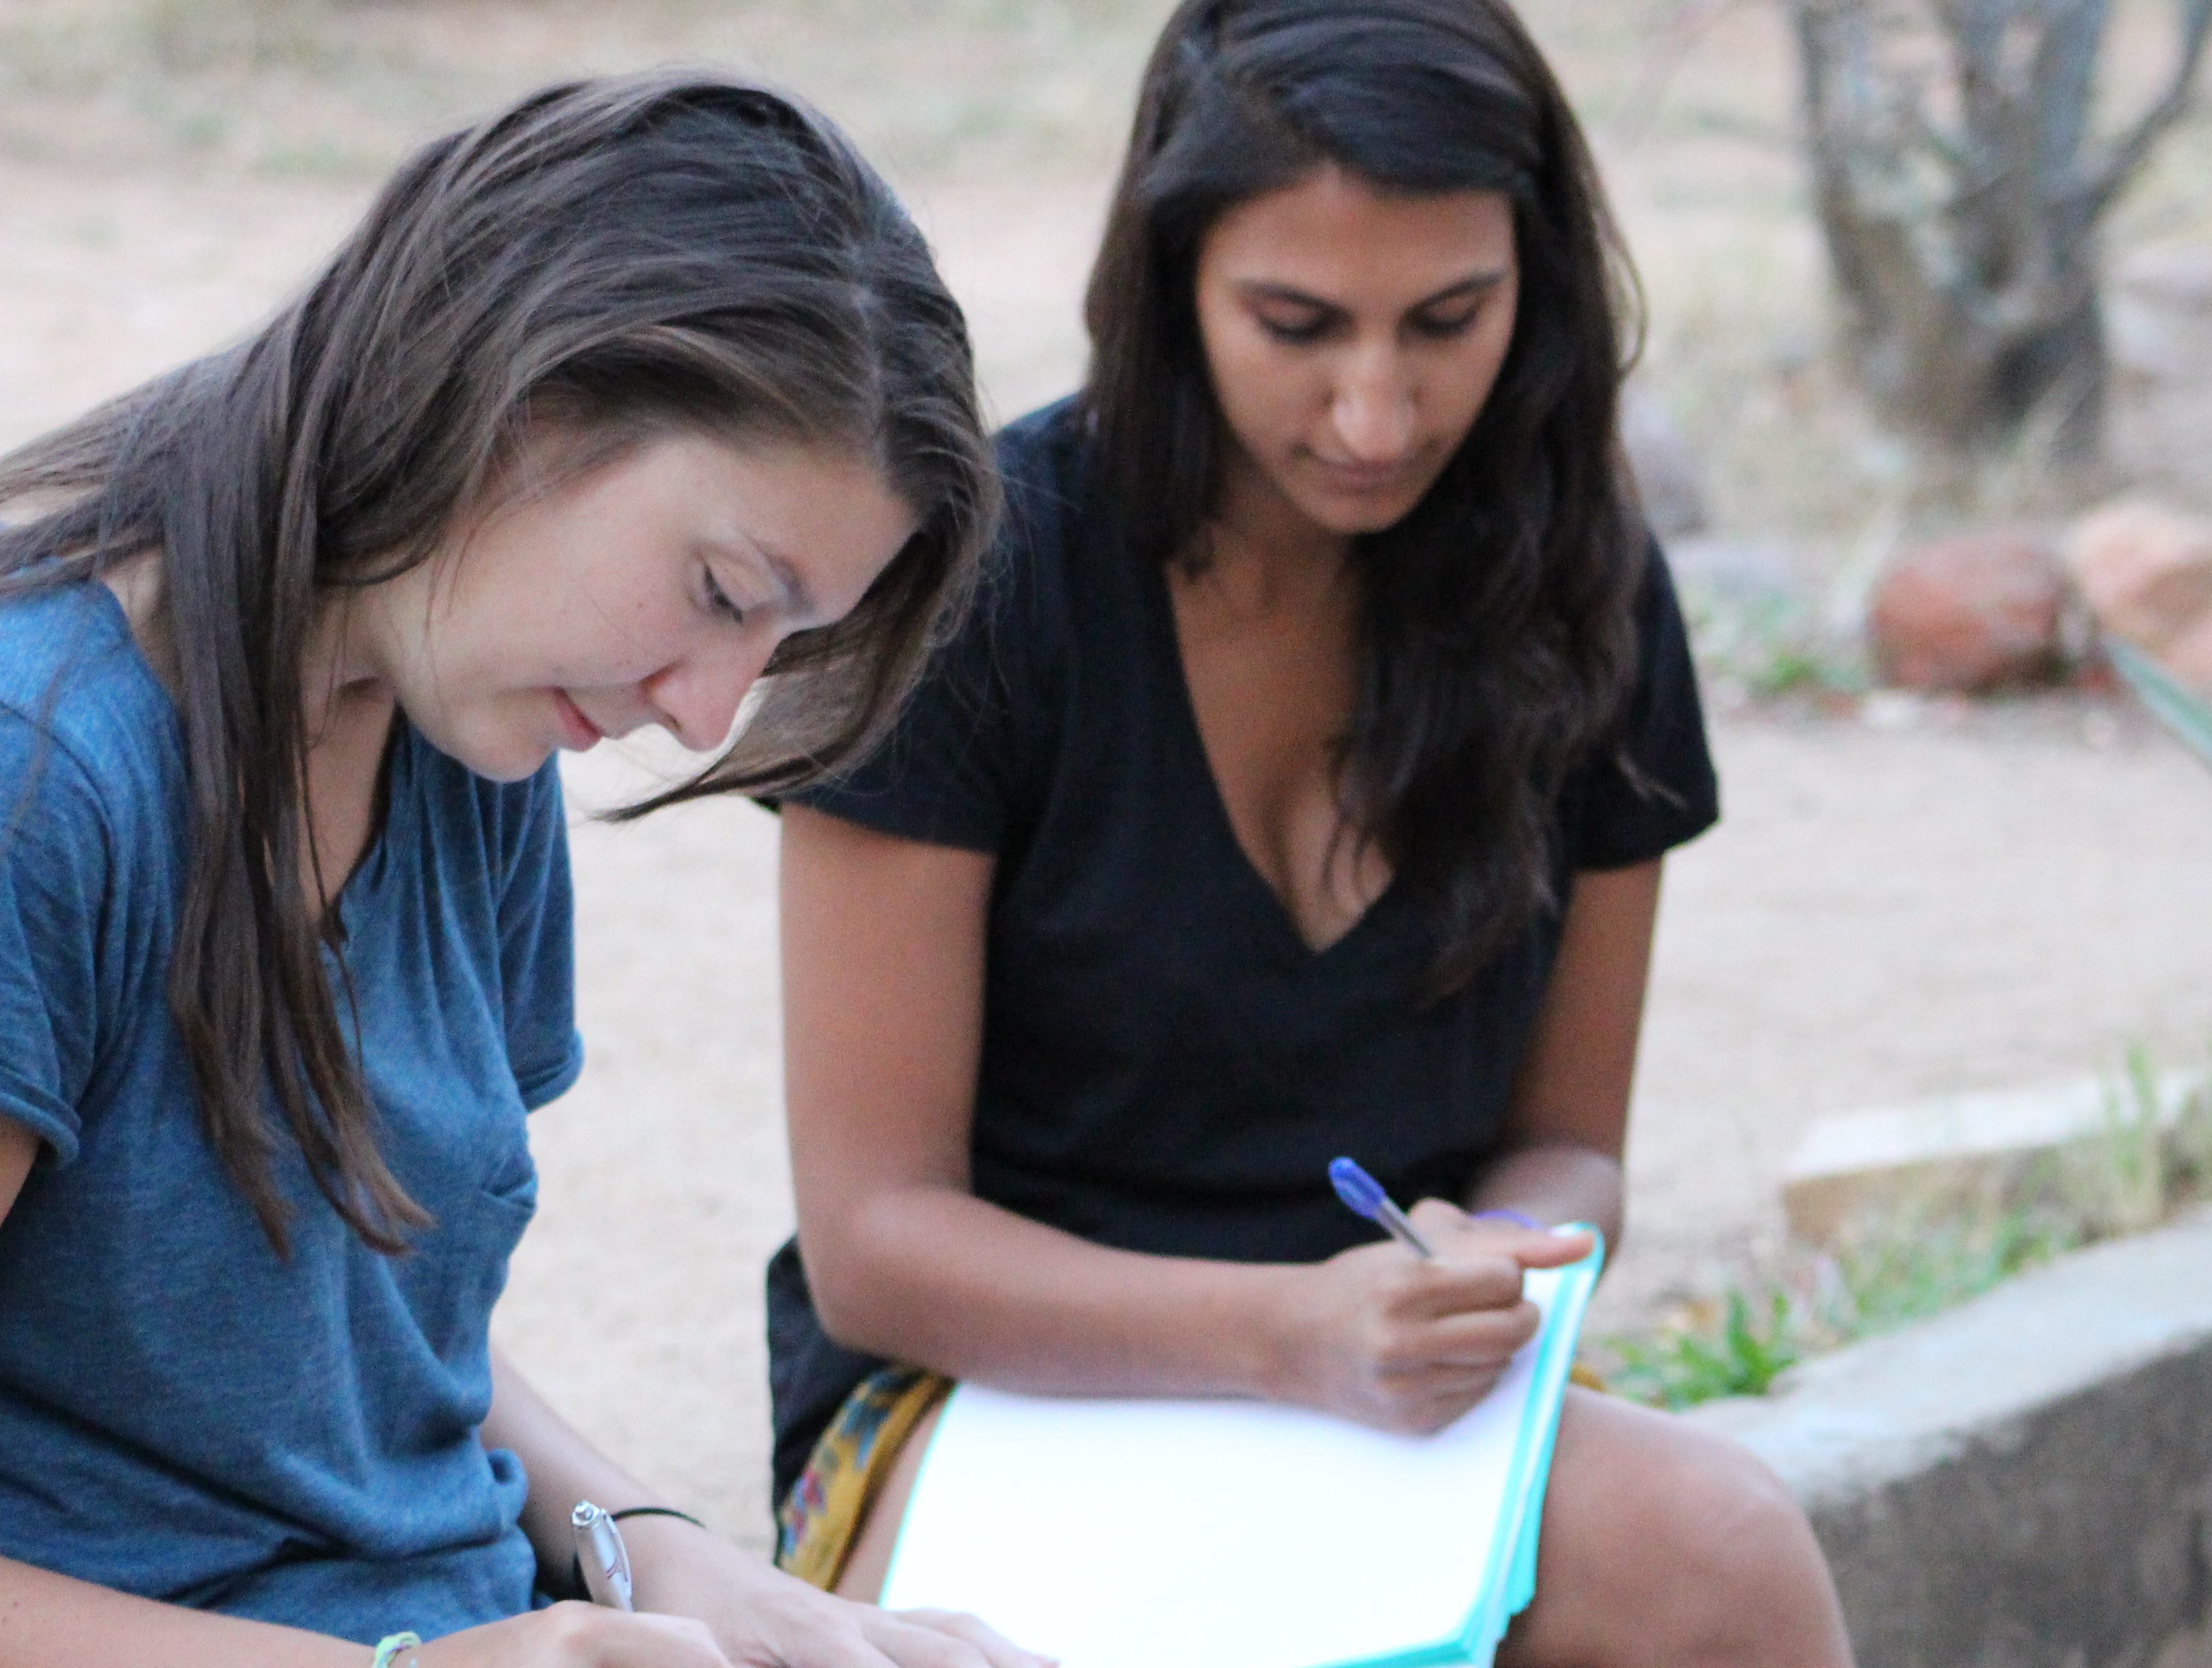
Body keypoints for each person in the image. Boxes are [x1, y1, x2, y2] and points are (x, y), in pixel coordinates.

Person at [0, 72, 1043, 1668]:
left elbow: (354, 1342)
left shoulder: (459, 691)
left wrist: (659, 1557)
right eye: (719, 589)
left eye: (780, 643)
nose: (701, 707)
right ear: (519, 395)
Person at [760, 5, 1856, 1665]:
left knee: (1725, 1554)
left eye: (1446, 321)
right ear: (1169, 283)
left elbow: (1568, 1146)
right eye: (1294, 324)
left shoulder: (1583, 594)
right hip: (993, 1399)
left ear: (1533, 288)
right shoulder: (981, 586)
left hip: (1399, 1403)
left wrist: (1491, 1257)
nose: (1373, 414)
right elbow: (877, 1252)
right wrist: (1288, 1333)